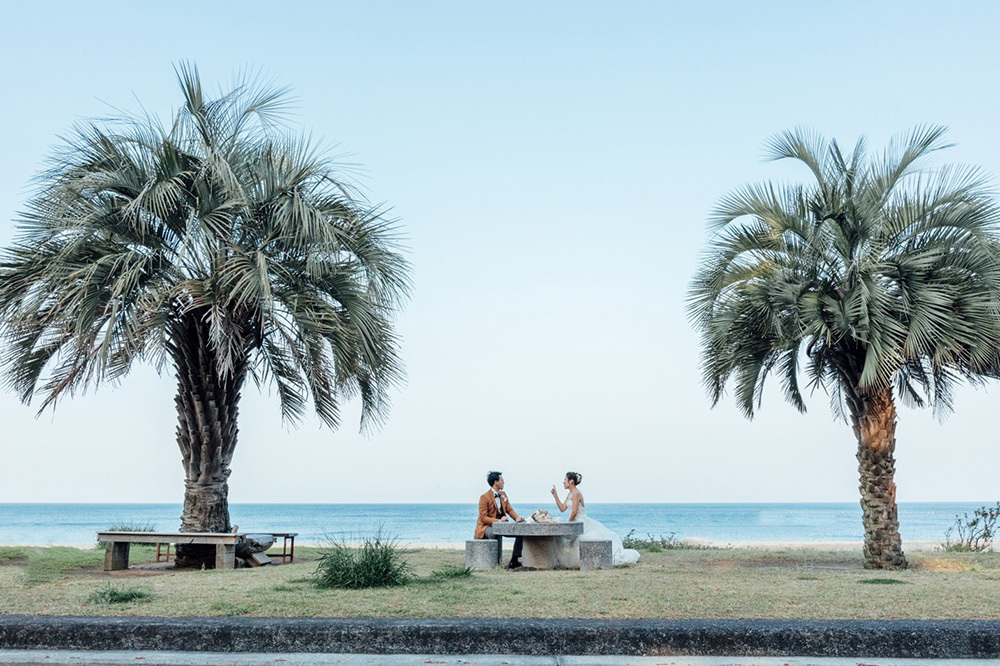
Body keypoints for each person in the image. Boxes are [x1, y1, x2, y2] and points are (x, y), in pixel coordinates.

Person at [550, 471, 640, 566]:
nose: (563, 482)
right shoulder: (570, 494)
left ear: (571, 481)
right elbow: (562, 508)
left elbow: (574, 512)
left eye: (565, 480)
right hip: (574, 522)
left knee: (580, 539)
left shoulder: (576, 493)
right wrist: (555, 496)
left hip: (580, 522)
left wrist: (569, 525)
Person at [476, 470, 526, 569]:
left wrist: (517, 518)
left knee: (521, 532)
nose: (504, 482)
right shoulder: (484, 497)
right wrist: (499, 521)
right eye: (502, 480)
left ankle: (514, 560)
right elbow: (483, 518)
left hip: (502, 526)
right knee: (495, 533)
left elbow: (509, 509)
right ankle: (495, 563)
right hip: (486, 527)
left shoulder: (503, 494)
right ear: (496, 482)